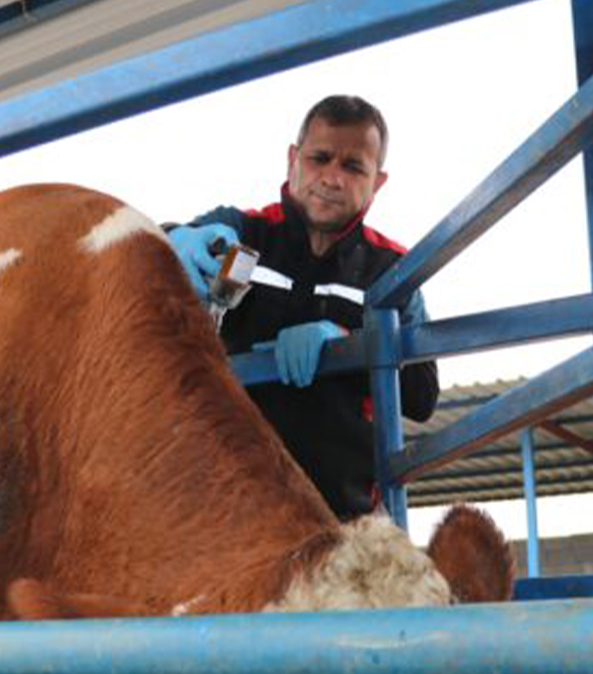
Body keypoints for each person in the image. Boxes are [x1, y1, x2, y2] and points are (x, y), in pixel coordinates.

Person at [166, 94, 438, 520]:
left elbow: (423, 395)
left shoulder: (394, 271)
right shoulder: (242, 232)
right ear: (293, 159)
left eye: (352, 167)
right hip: (228, 510)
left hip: (343, 520)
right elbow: (166, 248)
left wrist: (349, 346)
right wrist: (173, 240)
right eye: (320, 158)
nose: (332, 178)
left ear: (377, 182)